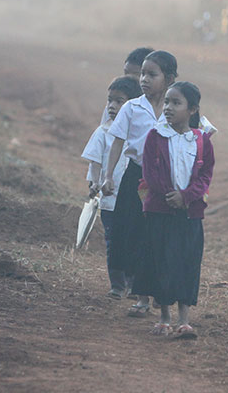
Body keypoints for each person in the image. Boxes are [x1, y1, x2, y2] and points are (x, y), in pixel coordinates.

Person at [134, 81, 214, 339]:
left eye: (175, 103)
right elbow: (149, 172)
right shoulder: (155, 137)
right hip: (161, 211)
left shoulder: (201, 141)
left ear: (192, 109)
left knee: (187, 263)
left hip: (190, 213)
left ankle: (184, 318)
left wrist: (187, 196)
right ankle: (164, 316)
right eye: (166, 102)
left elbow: (205, 175)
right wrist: (170, 196)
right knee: (162, 262)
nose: (168, 107)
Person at [102, 50, 178, 318]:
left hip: (166, 181)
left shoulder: (176, 107)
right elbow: (117, 142)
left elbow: (194, 139)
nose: (143, 79)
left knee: (160, 238)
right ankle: (142, 298)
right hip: (136, 178)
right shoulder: (132, 108)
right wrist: (109, 176)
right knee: (136, 237)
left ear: (168, 79)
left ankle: (158, 293)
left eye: (151, 74)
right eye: (142, 74)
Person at [81, 76, 142, 299]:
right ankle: (117, 284)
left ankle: (134, 282)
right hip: (109, 199)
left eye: (119, 102)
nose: (113, 107)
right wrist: (94, 182)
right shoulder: (103, 132)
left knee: (134, 239)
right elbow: (95, 161)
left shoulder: (139, 134)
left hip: (133, 199)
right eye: (111, 101)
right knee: (113, 239)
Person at [99, 47, 155, 126]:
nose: (128, 78)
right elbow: (105, 131)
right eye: (126, 73)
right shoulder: (115, 105)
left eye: (135, 75)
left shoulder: (164, 106)